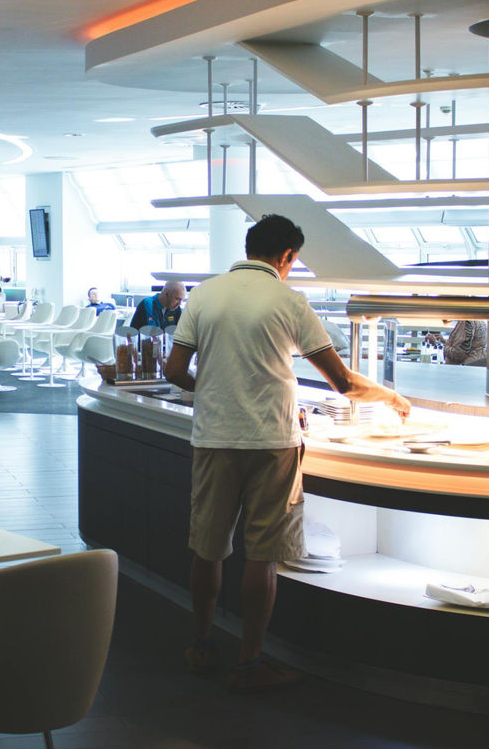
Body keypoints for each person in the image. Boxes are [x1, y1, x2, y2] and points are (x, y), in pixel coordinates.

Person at [164, 214, 410, 694]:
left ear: (249, 246)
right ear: (288, 257)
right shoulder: (290, 301)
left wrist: (212, 392)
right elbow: (342, 382)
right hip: (271, 443)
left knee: (207, 548)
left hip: (213, 438)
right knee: (262, 556)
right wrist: (392, 397)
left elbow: (176, 370)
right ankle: (249, 662)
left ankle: (200, 645)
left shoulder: (205, 294)